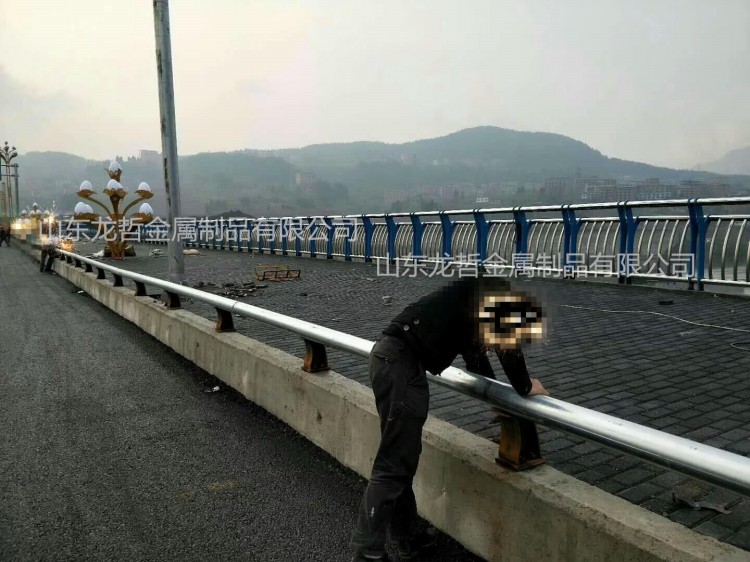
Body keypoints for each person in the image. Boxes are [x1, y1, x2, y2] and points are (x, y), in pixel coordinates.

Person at [351, 274, 549, 562]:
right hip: (401, 367)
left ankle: (409, 537)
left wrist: (499, 399)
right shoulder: (494, 296)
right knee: (393, 464)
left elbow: (476, 361)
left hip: (388, 358)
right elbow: (508, 349)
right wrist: (526, 386)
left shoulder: (466, 302)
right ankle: (366, 552)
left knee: (401, 457)